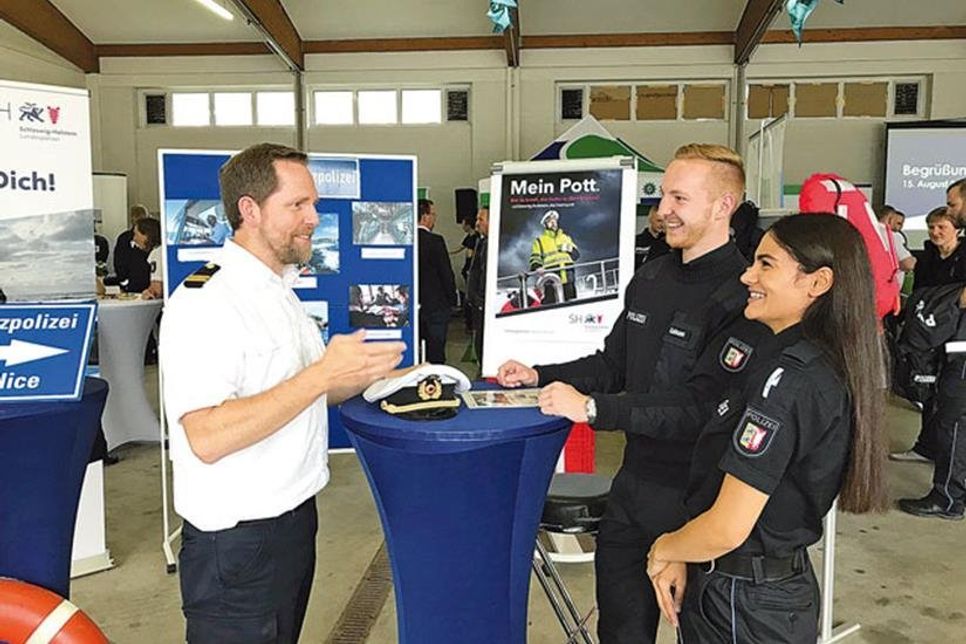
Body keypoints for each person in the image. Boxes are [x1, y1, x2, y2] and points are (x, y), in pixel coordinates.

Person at [498, 143, 759, 644]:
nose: (663, 211)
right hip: (634, 489)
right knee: (620, 631)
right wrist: (539, 374)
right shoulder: (652, 278)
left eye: (679, 199)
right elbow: (613, 365)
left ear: (723, 205)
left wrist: (595, 410)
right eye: (664, 196)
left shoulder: (742, 294)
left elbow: (701, 408)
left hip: (700, 502)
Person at [160, 143, 405, 643]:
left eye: (313, 204)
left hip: (293, 521)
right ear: (249, 210)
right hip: (237, 545)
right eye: (298, 205)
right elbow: (206, 436)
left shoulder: (279, 290)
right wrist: (319, 376)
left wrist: (378, 376)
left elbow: (301, 394)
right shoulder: (206, 302)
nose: (314, 218)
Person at [647, 214, 888, 643]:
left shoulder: (792, 379)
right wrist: (689, 550)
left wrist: (665, 548)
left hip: (745, 602)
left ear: (817, 283)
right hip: (751, 588)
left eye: (766, 264)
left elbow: (728, 527)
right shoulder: (796, 359)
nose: (747, 275)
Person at [417, 198, 457, 364]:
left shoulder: (407, 241)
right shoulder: (435, 241)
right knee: (436, 352)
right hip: (436, 307)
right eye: (433, 214)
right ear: (425, 217)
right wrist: (452, 300)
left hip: (414, 306)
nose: (435, 218)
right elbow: (445, 273)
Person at [529, 209, 580, 303]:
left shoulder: (566, 238)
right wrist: (538, 267)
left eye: (554, 220)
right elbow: (534, 257)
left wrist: (568, 248)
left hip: (568, 277)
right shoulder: (540, 240)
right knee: (550, 304)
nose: (553, 223)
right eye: (549, 221)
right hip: (550, 277)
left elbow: (576, 255)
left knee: (572, 303)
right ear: (545, 225)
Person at [466, 207, 489, 371]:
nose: (477, 223)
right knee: (478, 339)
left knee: (483, 340)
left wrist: (480, 297)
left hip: (484, 302)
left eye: (481, 219)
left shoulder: (493, 244)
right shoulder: (481, 241)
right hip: (477, 303)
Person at [114, 204, 149, 286]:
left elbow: (119, 263)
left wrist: (123, 280)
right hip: (147, 282)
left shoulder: (124, 237)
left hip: (130, 282)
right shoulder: (154, 237)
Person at [634, 204, 669, 270]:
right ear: (650, 219)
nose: (662, 224)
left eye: (665, 221)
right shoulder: (636, 241)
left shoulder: (671, 243)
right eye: (659, 221)